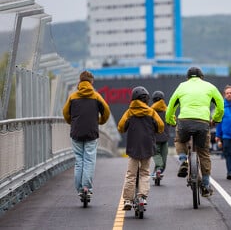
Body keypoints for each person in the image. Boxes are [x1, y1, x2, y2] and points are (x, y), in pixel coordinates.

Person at [165, 66, 224, 197]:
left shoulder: (181, 86)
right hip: (203, 122)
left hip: (184, 121)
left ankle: (183, 161)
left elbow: (171, 106)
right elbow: (220, 105)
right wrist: (216, 119)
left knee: (180, 140)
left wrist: (171, 121)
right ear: (201, 77)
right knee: (203, 153)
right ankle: (206, 184)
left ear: (187, 77)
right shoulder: (209, 86)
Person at [62, 70, 110, 198]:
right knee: (89, 160)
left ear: (80, 81)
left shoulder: (73, 96)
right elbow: (106, 111)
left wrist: (71, 122)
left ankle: (79, 189)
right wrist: (100, 121)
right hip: (91, 132)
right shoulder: (96, 96)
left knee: (79, 160)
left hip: (76, 132)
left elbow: (65, 113)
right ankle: (86, 187)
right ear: (91, 82)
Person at [118, 86, 164, 210]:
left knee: (131, 174)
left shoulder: (129, 112)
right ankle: (142, 197)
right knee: (144, 173)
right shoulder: (151, 112)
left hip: (133, 147)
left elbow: (121, 127)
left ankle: (127, 199)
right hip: (148, 146)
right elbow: (160, 126)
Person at [150, 90, 170, 178]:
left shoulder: (150, 111)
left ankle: (157, 170)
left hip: (154, 138)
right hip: (165, 138)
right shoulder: (168, 110)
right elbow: (172, 121)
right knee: (164, 158)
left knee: (156, 154)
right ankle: (158, 171)